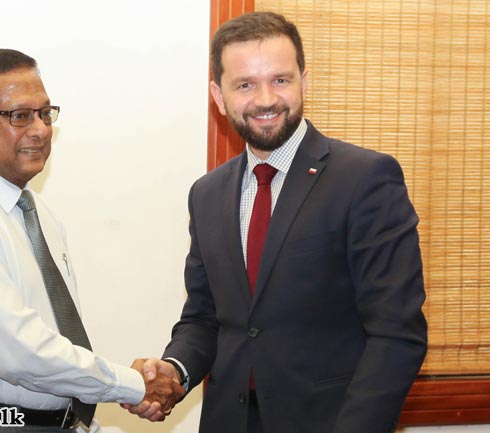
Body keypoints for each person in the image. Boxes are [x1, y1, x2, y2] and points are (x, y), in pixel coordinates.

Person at [125, 11, 428, 433]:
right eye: (245, 84)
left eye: (280, 80)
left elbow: (397, 334)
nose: (265, 99)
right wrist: (174, 371)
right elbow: (205, 318)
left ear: (305, 81)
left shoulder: (366, 179)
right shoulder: (207, 194)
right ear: (218, 94)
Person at [0, 48, 183, 433]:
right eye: (19, 116)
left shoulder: (38, 215)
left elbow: (54, 341)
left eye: (45, 113)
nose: (40, 129)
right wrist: (133, 385)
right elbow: (17, 351)